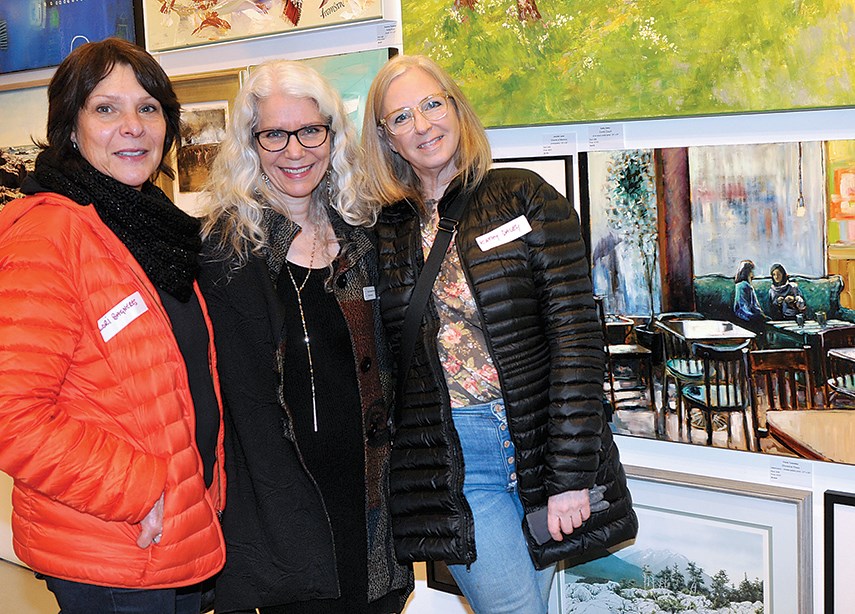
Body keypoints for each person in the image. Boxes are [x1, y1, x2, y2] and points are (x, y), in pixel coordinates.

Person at [358, 54, 638, 614]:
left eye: (432, 104)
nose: (422, 125)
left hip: (539, 444)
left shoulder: (525, 196)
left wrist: (571, 476)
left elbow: (576, 342)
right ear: (387, 138)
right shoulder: (383, 229)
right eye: (401, 117)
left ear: (457, 108)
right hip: (458, 459)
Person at [0, 38, 225, 613]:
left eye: (149, 108)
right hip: (112, 543)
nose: (133, 126)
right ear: (69, 128)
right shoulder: (48, 234)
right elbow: (13, 415)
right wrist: (141, 491)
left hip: (168, 533)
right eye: (106, 108)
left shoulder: (150, 230)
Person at [197, 59, 412, 614]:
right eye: (274, 134)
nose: (295, 151)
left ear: (332, 136)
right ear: (251, 143)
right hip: (277, 518)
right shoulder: (224, 250)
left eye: (310, 131)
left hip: (369, 508)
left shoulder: (365, 236)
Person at [733, 259, 769, 329]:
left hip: (749, 315)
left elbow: (755, 305)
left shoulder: (748, 286)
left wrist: (761, 315)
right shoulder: (742, 286)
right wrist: (754, 316)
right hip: (745, 317)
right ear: (747, 272)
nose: (753, 274)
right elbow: (743, 307)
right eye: (751, 271)